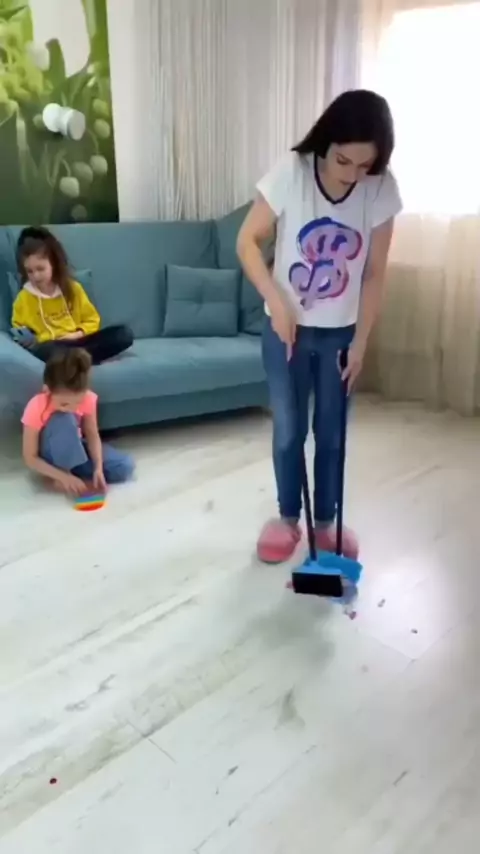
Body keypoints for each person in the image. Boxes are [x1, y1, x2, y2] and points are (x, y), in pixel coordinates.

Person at [237, 89, 402, 564]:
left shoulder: (381, 187)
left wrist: (362, 341)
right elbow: (247, 241)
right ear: (325, 140)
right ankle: (288, 518)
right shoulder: (292, 171)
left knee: (331, 433)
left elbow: (374, 273)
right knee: (289, 431)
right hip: (286, 331)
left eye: (363, 166)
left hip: (341, 335)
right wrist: (276, 302)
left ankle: (326, 522)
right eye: (343, 160)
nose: (350, 174)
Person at [11, 226, 133, 365]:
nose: (36, 276)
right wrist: (27, 338)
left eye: (40, 269)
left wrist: (77, 334)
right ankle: (80, 359)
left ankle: (76, 359)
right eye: (30, 271)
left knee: (123, 334)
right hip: (51, 346)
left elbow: (92, 320)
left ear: (53, 264)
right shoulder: (23, 299)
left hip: (79, 341)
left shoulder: (73, 289)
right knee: (47, 350)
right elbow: (18, 329)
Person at [22, 347, 135, 495]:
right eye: (64, 404)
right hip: (50, 457)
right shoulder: (36, 405)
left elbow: (92, 435)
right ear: (47, 390)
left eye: (78, 402)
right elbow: (30, 458)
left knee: (124, 466)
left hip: (76, 447)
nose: (72, 408)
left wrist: (98, 469)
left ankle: (73, 474)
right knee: (65, 418)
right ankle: (60, 474)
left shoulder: (88, 398)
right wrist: (62, 476)